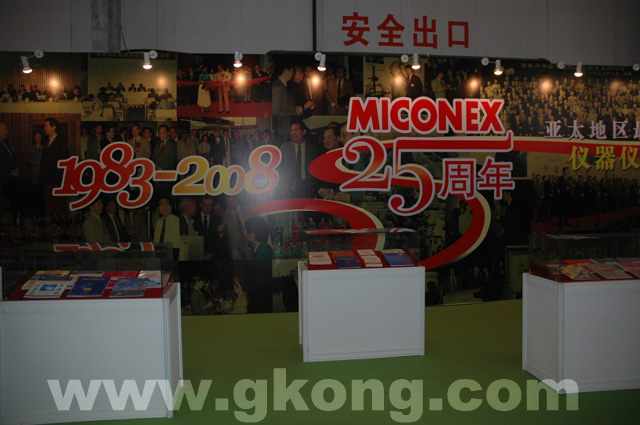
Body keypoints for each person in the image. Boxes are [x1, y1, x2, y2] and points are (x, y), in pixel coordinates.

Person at [280, 121, 319, 198]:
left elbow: (316, 170)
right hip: (290, 187)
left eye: (296, 130)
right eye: (291, 130)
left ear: (303, 132)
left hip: (307, 187)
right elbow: (281, 167)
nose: (293, 133)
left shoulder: (312, 148)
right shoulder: (284, 148)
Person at [39, 117, 69, 214]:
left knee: (56, 207)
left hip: (55, 181)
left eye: (46, 126)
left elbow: (63, 164)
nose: (44, 129)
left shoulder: (61, 142)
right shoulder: (46, 141)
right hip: (45, 180)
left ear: (54, 127)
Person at [245, 216, 273, 313]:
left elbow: (259, 283)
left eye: (247, 232)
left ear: (252, 236)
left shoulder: (263, 250)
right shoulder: (261, 248)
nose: (246, 234)